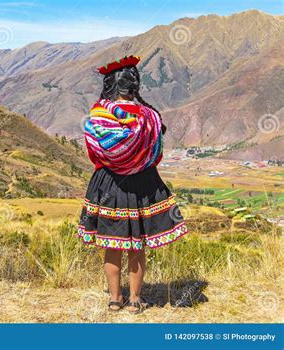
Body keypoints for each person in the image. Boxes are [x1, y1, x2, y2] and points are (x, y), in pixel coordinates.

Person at [77, 55, 188, 313]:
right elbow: (156, 153)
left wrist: (116, 164)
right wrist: (137, 162)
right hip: (143, 184)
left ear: (109, 85)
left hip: (108, 186)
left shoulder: (97, 117)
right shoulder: (150, 117)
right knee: (136, 244)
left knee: (112, 244)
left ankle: (115, 299)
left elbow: (94, 154)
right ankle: (136, 299)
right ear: (134, 86)